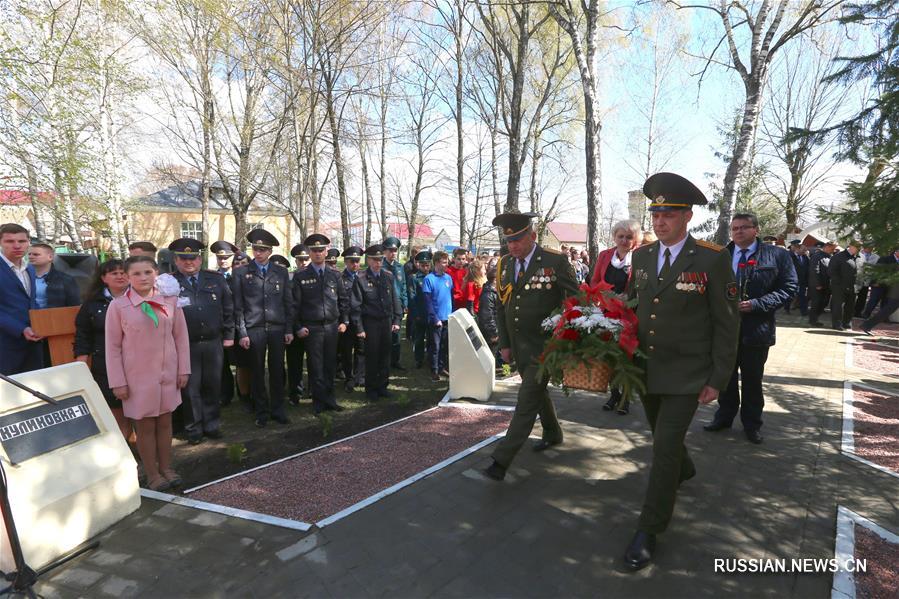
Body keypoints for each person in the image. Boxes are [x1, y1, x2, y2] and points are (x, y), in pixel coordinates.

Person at [623, 172, 739, 571]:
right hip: (646, 369)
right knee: (663, 438)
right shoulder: (641, 256)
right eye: (655, 213)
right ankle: (685, 470)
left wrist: (717, 379)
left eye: (669, 214)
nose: (659, 221)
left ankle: (649, 528)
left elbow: (727, 324)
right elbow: (632, 307)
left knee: (664, 447)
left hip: (689, 374)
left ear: (687, 216)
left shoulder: (711, 257)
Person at [482, 212, 579, 482]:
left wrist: (564, 334)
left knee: (526, 402)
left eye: (518, 239)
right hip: (519, 345)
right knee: (535, 392)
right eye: (508, 240)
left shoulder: (555, 261)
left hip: (546, 346)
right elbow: (502, 307)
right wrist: (504, 343)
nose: (512, 245)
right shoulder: (504, 265)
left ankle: (501, 461)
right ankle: (552, 432)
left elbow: (575, 300)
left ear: (532, 236)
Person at [703, 213, 797, 444]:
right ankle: (724, 417)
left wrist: (758, 304)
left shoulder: (777, 255)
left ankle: (752, 424)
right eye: (735, 228)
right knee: (725, 377)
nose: (738, 232)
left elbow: (790, 287)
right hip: (724, 329)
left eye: (744, 227)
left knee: (753, 380)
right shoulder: (721, 255)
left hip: (757, 329)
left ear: (756, 229)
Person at [106, 255, 191, 492]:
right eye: (136, 273)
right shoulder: (118, 306)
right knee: (144, 426)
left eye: (148, 272)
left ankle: (166, 467)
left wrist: (183, 369)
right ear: (127, 277)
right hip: (136, 378)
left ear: (156, 273)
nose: (143, 278)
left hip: (168, 373)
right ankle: (152, 473)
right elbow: (112, 348)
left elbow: (181, 338)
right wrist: (118, 382)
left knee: (165, 422)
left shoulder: (171, 301)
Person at [168, 238, 234, 444]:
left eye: (193, 258)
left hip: (214, 343)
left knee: (213, 385)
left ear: (200, 259)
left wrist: (229, 336)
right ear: (176, 260)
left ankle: (212, 425)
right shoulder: (168, 283)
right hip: (186, 345)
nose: (189, 262)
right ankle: (194, 429)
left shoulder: (215, 279)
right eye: (184, 258)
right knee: (190, 389)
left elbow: (228, 309)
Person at [232, 228, 294, 427]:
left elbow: (288, 303)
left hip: (277, 328)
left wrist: (289, 329)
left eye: (263, 249)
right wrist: (242, 332)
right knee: (257, 371)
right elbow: (238, 306)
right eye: (256, 249)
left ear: (270, 252)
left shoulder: (281, 272)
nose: (258, 253)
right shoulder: (241, 273)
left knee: (277, 370)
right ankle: (261, 411)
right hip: (254, 328)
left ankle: (278, 409)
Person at [74, 259, 131, 441]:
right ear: (103, 278)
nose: (120, 276)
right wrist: (81, 361)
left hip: (136, 362)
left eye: (123, 272)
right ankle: (123, 447)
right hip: (105, 363)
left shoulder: (142, 299)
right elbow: (83, 333)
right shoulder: (92, 303)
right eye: (114, 273)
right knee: (115, 408)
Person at [590, 219, 643, 414]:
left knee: (626, 357)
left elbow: (646, 285)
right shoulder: (605, 256)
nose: (624, 240)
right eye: (620, 236)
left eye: (629, 237)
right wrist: (602, 294)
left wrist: (630, 296)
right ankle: (614, 395)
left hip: (631, 314)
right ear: (614, 237)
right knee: (609, 355)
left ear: (635, 239)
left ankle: (626, 398)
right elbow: (594, 280)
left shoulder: (640, 257)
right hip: (606, 312)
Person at [293, 233, 350, 414]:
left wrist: (345, 321)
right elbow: (295, 305)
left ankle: (330, 400)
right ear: (309, 253)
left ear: (326, 251)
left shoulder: (334, 274)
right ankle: (318, 403)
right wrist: (298, 327)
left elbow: (343, 300)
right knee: (315, 366)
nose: (318, 253)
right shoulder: (301, 275)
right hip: (312, 328)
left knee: (330, 364)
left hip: (332, 326)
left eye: (321, 250)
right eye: (314, 251)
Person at [351, 244, 402, 402]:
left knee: (385, 355)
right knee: (372, 356)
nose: (378, 262)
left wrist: (397, 319)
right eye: (375, 260)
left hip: (386, 321)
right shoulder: (361, 278)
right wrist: (359, 327)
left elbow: (394, 299)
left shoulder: (387, 276)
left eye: (380, 259)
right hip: (370, 323)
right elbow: (356, 305)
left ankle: (382, 386)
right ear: (369, 260)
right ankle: (371, 388)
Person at [0, 223, 42, 375]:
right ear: (1, 243)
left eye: (22, 241)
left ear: (29, 242)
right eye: (10, 241)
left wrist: (43, 324)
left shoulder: (29, 268)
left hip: (33, 343)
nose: (17, 246)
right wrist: (20, 329)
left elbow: (31, 301)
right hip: (5, 346)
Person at [211, 240, 244, 407]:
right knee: (222, 363)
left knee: (242, 363)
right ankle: (225, 394)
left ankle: (244, 393)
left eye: (227, 258)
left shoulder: (241, 275)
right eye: (220, 258)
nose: (223, 261)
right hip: (221, 326)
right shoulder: (212, 278)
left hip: (240, 325)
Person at [423, 250, 454, 382]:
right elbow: (428, 301)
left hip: (448, 318)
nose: (447, 264)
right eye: (444, 262)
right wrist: (435, 318)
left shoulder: (448, 278)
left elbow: (450, 296)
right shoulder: (429, 279)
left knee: (445, 345)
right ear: (436, 263)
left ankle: (442, 367)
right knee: (435, 345)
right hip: (436, 319)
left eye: (447, 262)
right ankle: (434, 370)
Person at [286, 243, 311, 404]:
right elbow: (289, 306)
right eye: (299, 260)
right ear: (295, 261)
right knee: (294, 363)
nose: (302, 263)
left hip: (312, 327)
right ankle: (295, 393)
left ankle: (315, 391)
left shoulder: (315, 277)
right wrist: (296, 327)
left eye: (305, 259)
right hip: (295, 327)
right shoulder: (289, 278)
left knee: (314, 362)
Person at [338, 246, 366, 391]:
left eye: (357, 261)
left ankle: (360, 377)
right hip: (346, 321)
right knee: (347, 351)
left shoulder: (363, 277)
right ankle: (349, 377)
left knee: (361, 350)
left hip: (360, 320)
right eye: (352, 261)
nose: (355, 264)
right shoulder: (340, 279)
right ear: (346, 262)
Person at [27, 243, 80, 308]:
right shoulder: (23, 277)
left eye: (36, 254)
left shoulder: (65, 280)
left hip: (55, 317)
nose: (31, 257)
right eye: (29, 254)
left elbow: (74, 306)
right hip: (26, 317)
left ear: (50, 257)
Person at [382, 236, 408, 370]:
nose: (393, 253)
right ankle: (384, 361)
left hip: (397, 305)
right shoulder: (380, 266)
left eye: (395, 250)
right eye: (390, 250)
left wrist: (405, 303)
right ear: (385, 251)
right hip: (384, 306)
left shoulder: (399, 267)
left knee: (396, 335)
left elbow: (403, 285)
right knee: (385, 335)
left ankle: (395, 361)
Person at [862, 247, 899, 335]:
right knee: (886, 309)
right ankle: (866, 323)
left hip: (892, 288)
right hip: (894, 289)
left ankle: (867, 325)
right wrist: (875, 282)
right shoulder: (885, 259)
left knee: (887, 309)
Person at [407, 250, 433, 370]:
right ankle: (419, 359)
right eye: (423, 265)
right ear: (418, 265)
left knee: (431, 337)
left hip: (431, 313)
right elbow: (412, 296)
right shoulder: (414, 278)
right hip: (420, 312)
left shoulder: (433, 277)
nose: (425, 267)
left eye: (427, 265)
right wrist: (415, 313)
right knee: (419, 338)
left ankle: (430, 358)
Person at [828, 240, 860, 331]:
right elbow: (831, 271)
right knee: (838, 306)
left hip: (854, 286)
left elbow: (861, 271)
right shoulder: (838, 256)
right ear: (851, 246)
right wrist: (840, 283)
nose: (858, 249)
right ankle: (837, 324)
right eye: (857, 247)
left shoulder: (859, 257)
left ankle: (847, 323)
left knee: (850, 306)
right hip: (839, 286)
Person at [478, 265, 500, 369]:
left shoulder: (494, 292)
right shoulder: (488, 295)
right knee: (490, 356)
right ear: (495, 279)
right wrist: (493, 333)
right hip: (491, 333)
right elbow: (487, 316)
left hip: (496, 329)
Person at [808, 241, 834, 326]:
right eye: (832, 248)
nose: (833, 250)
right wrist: (817, 284)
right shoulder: (817, 256)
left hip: (826, 284)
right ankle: (813, 320)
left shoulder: (829, 256)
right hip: (817, 285)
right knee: (816, 303)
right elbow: (814, 271)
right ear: (826, 247)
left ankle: (815, 319)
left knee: (823, 303)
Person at [854, 245, 879, 317]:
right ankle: (849, 311)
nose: (870, 248)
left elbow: (877, 269)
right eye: (869, 247)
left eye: (872, 247)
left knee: (862, 298)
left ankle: (857, 312)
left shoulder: (876, 257)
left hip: (866, 281)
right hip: (856, 280)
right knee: (852, 297)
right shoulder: (857, 254)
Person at [786, 240, 809, 315]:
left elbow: (807, 268)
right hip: (792, 280)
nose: (805, 251)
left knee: (803, 296)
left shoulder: (805, 257)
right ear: (797, 249)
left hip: (802, 281)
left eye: (805, 250)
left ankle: (804, 311)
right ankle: (787, 308)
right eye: (803, 250)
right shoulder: (789, 256)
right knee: (790, 296)